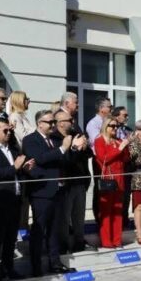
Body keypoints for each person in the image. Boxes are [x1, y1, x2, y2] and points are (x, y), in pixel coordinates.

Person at [21, 109, 74, 276]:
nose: (53, 125)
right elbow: (40, 159)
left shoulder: (54, 140)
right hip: (42, 192)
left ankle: (55, 262)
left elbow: (64, 161)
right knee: (39, 230)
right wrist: (62, 149)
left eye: (53, 122)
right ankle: (36, 266)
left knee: (54, 229)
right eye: (49, 122)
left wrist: (74, 149)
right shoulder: (31, 140)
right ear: (39, 123)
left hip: (58, 190)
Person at [0, 116, 29, 281]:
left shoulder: (14, 150)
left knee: (10, 238)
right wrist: (14, 167)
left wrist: (24, 168)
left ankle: (9, 268)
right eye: (5, 130)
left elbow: (16, 171)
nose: (9, 133)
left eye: (10, 130)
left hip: (14, 199)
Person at [54, 107, 92, 254]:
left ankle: (79, 241)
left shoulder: (76, 134)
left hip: (80, 180)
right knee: (64, 217)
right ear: (60, 123)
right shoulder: (55, 138)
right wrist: (74, 148)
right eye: (69, 120)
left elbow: (89, 154)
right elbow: (63, 160)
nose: (73, 122)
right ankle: (63, 245)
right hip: (66, 182)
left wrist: (84, 146)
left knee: (79, 215)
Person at [93, 118, 130, 249]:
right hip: (108, 179)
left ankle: (117, 240)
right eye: (112, 126)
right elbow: (103, 158)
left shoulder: (118, 141)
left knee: (118, 211)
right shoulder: (99, 141)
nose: (115, 128)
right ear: (105, 126)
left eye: (116, 126)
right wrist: (119, 148)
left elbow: (125, 159)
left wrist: (125, 147)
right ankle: (107, 241)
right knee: (106, 212)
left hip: (119, 179)